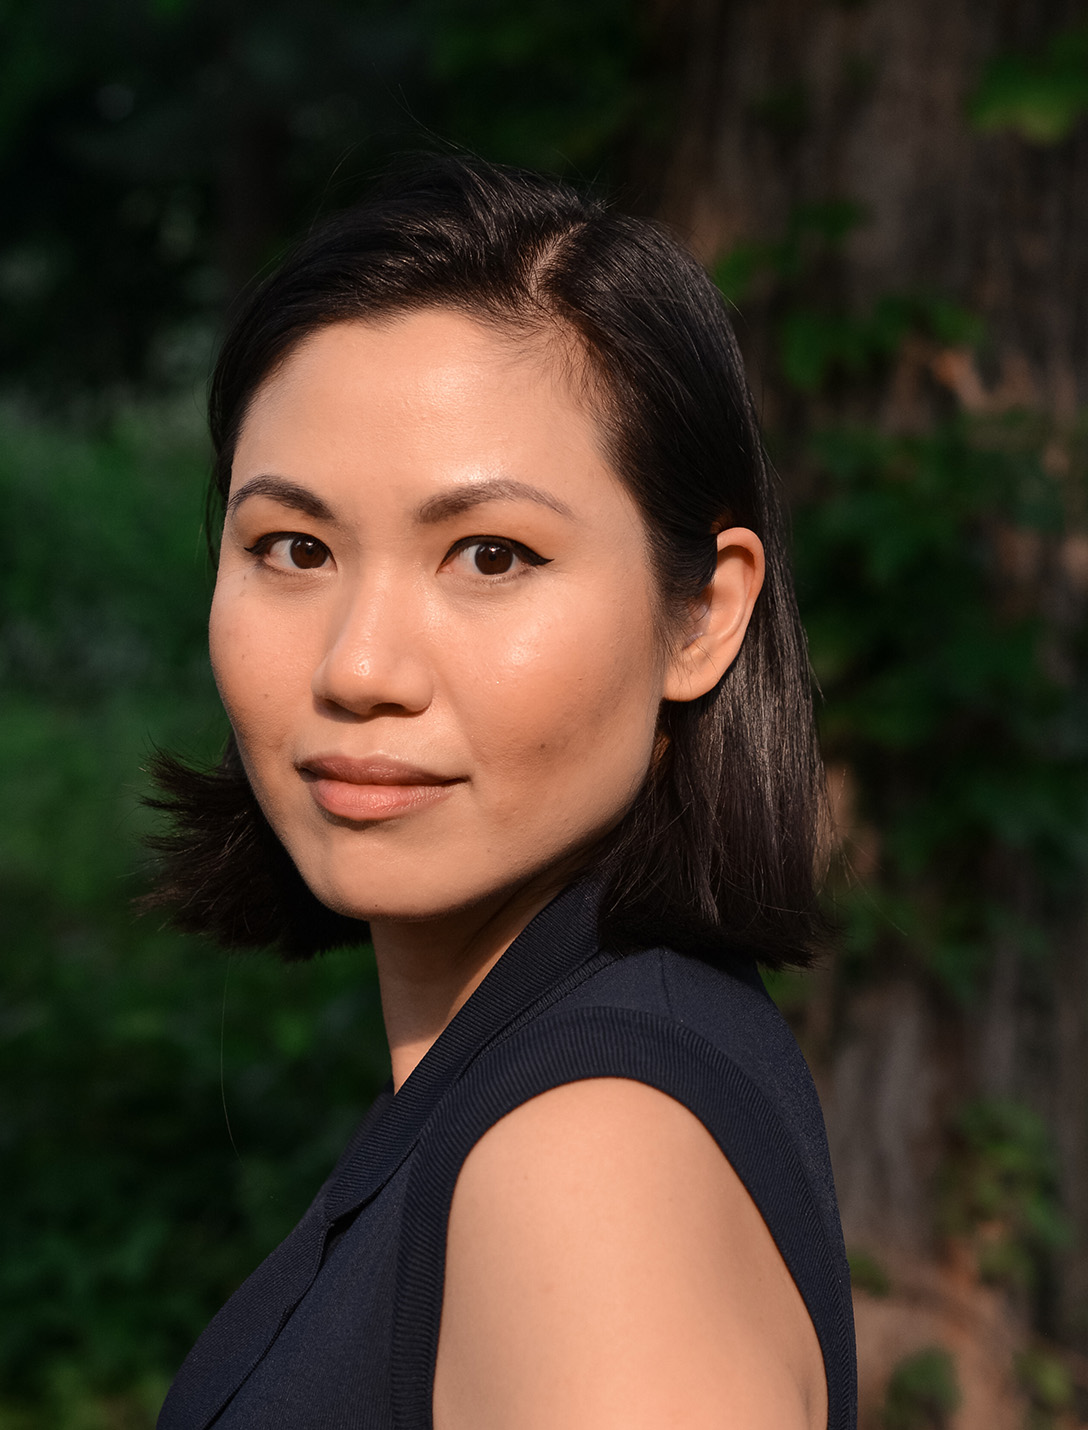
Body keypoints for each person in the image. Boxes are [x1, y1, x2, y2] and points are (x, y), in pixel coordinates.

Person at [149, 156, 856, 1430]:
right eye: (292, 548)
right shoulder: (555, 1067)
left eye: (490, 554)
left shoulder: (588, 1162)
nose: (359, 667)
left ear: (704, 614)